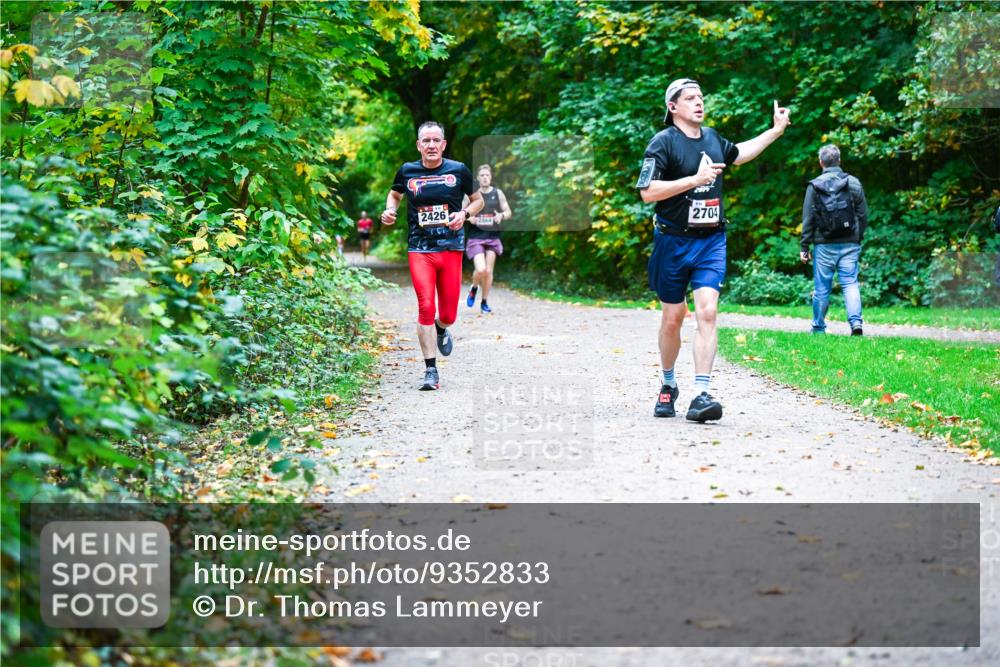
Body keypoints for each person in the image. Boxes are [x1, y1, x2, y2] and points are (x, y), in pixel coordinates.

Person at [637, 78, 791, 422]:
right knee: (673, 318)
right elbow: (647, 192)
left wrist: (776, 131)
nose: (698, 102)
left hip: (711, 241)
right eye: (690, 98)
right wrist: (694, 179)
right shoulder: (662, 143)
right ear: (672, 107)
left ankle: (701, 394)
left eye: (701, 97)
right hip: (672, 241)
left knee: (707, 312)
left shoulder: (712, 139)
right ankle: (668, 383)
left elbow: (741, 153)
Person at [381, 121, 484, 391]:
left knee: (448, 314)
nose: (431, 145)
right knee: (426, 306)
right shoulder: (407, 171)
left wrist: (464, 214)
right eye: (425, 141)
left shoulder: (458, 170)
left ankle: (442, 328)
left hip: (451, 248)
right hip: (420, 249)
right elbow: (394, 195)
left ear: (443, 144)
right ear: (418, 145)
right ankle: (430, 370)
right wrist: (389, 210)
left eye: (435, 140)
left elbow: (478, 200)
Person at [800, 144, 869, 336]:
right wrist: (858, 236)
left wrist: (804, 247)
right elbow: (863, 215)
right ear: (839, 161)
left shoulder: (814, 186)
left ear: (821, 162)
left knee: (822, 287)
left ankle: (818, 327)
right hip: (850, 242)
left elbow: (808, 219)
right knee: (850, 283)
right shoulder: (853, 182)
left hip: (823, 245)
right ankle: (856, 324)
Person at [465, 164, 511, 313]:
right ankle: (473, 288)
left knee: (489, 271)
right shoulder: (472, 194)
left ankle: (484, 302)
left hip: (492, 237)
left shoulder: (498, 193)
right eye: (482, 175)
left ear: (490, 178)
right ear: (478, 178)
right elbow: (461, 211)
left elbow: (507, 210)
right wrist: (469, 217)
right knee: (481, 269)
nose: (485, 178)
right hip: (476, 237)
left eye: (487, 175)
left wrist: (501, 215)